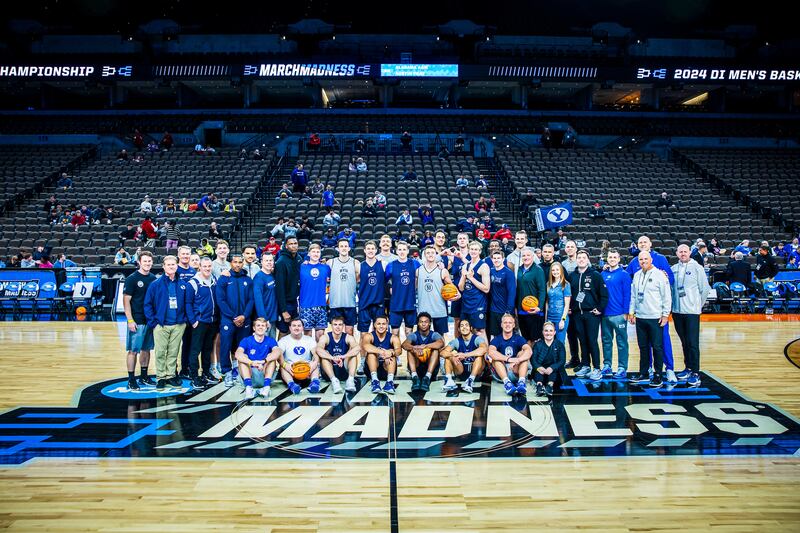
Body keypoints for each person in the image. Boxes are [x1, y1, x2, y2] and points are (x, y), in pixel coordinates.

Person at [626, 235, 676, 382]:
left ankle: (668, 369)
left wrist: (666, 314)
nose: (642, 244)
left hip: (656, 314)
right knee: (643, 345)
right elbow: (628, 281)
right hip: (642, 314)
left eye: (645, 242)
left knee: (660, 344)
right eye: (639, 242)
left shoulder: (660, 260)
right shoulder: (634, 263)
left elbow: (669, 282)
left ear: (650, 244)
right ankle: (646, 370)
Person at [143, 255, 188, 391]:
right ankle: (161, 377)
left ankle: (170, 376)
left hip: (178, 324)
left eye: (173, 265)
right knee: (161, 352)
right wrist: (153, 322)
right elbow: (147, 304)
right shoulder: (155, 284)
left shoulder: (183, 284)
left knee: (174, 352)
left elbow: (188, 303)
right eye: (168, 265)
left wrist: (184, 320)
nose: (171, 267)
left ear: (177, 266)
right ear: (163, 267)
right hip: (161, 325)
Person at [671, 244, 711, 387]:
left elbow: (705, 289)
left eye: (685, 251)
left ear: (689, 252)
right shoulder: (673, 269)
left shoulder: (697, 268)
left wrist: (697, 305)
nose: (683, 254)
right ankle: (687, 368)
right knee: (684, 341)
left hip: (692, 312)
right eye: (680, 252)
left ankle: (695, 372)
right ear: (677, 253)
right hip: (677, 311)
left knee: (693, 343)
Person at [568, 250, 608, 381]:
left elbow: (604, 294)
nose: (581, 259)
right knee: (582, 341)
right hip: (577, 314)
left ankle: (597, 368)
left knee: (591, 340)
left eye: (583, 257)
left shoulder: (595, 275)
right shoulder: (572, 276)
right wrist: (569, 308)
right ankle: (586, 365)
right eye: (579, 257)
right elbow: (569, 295)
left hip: (591, 314)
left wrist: (600, 308)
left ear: (588, 259)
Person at [216, 253, 254, 387]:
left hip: (244, 319)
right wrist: (233, 317)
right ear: (230, 263)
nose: (237, 264)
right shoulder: (224, 279)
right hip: (228, 319)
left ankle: (239, 370)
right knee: (225, 345)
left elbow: (251, 300)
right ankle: (226, 372)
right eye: (235, 262)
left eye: (240, 262)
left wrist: (244, 315)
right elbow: (220, 300)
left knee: (242, 347)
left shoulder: (248, 280)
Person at [123, 250, 157, 390]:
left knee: (146, 349)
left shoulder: (153, 278)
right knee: (133, 351)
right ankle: (131, 379)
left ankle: (144, 376)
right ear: (139, 262)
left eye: (149, 261)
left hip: (149, 320)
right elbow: (126, 301)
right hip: (136, 321)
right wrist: (130, 320)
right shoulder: (132, 279)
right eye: (145, 261)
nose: (147, 263)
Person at [185, 256, 218, 388]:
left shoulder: (214, 280)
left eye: (209, 266)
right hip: (199, 322)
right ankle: (194, 376)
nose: (207, 268)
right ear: (200, 267)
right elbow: (187, 303)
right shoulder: (193, 283)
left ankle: (205, 372)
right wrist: (193, 321)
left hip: (212, 321)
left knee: (207, 348)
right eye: (204, 266)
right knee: (195, 350)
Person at [598, 249, 631, 379]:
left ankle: (622, 367)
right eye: (610, 257)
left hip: (619, 314)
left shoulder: (624, 274)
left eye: (614, 257)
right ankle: (607, 366)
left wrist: (627, 312)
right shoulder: (603, 274)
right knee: (606, 341)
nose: (612, 259)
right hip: (605, 314)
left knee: (622, 342)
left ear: (619, 259)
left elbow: (628, 294)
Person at [235, 318, 281, 399]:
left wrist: (264, 360)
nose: (260, 327)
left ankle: (266, 388)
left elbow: (277, 352)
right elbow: (238, 354)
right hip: (249, 374)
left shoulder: (270, 340)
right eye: (258, 325)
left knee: (271, 357)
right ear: (254, 328)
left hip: (264, 373)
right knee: (243, 358)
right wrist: (252, 363)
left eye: (263, 325)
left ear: (266, 328)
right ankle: (249, 389)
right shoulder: (246, 340)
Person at [488, 313, 533, 396]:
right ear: (501, 325)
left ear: (513, 325)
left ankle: (521, 382)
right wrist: (508, 359)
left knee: (522, 353)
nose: (507, 325)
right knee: (495, 359)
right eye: (505, 322)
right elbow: (491, 352)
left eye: (510, 323)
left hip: (515, 370)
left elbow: (529, 351)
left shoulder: (518, 338)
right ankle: (507, 384)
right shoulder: (497, 339)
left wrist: (518, 360)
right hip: (502, 371)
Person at [416, 245, 455, 336]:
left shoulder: (443, 271)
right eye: (428, 253)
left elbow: (453, 289)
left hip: (439, 310)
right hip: (423, 310)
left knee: (440, 338)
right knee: (423, 338)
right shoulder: (418, 271)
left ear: (436, 255)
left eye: (433, 253)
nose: (430, 255)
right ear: (424, 255)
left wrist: (456, 296)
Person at [401, 312, 445, 392]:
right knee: (410, 350)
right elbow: (404, 345)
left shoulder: (434, 334)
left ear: (429, 324)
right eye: (421, 322)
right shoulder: (414, 335)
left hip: (430, 369)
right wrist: (415, 348)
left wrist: (425, 346)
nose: (423, 324)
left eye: (426, 322)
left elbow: (441, 343)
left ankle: (427, 377)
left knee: (435, 350)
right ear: (418, 323)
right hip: (417, 367)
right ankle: (414, 377)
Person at [440, 318, 486, 393]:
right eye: (461, 326)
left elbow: (484, 349)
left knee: (479, 357)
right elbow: (442, 353)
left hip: (476, 372)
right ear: (458, 329)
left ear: (471, 328)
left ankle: (470, 381)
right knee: (448, 357)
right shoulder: (456, 341)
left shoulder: (477, 339)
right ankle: (449, 381)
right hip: (461, 371)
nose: (464, 327)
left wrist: (465, 355)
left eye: (466, 325)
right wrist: (453, 356)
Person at [317, 316, 360, 393]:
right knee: (324, 354)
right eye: (335, 324)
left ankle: (350, 380)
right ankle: (334, 381)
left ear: (343, 326)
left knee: (353, 354)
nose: (338, 327)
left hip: (344, 371)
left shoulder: (348, 337)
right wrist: (333, 358)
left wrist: (343, 356)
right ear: (331, 326)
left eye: (340, 325)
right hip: (328, 372)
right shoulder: (325, 337)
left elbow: (358, 348)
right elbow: (318, 349)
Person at [277, 318, 321, 395]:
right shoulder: (283, 341)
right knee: (282, 367)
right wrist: (285, 365)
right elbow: (278, 356)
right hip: (291, 370)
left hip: (307, 370)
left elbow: (315, 354)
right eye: (294, 326)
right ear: (290, 328)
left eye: (299, 326)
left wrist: (315, 362)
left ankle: (315, 383)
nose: (296, 328)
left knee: (315, 364)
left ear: (303, 328)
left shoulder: (309, 340)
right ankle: (292, 385)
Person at [385, 241, 420, 337]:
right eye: (399, 249)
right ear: (396, 251)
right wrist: (390, 288)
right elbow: (384, 281)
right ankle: (396, 352)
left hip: (410, 303)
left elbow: (422, 276)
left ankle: (409, 352)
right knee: (395, 333)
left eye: (404, 249)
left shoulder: (415, 263)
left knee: (409, 333)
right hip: (396, 304)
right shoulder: (391, 265)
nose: (402, 252)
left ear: (408, 251)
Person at [458, 240, 491, 339]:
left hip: (478, 304)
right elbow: (461, 287)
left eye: (476, 249)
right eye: (471, 249)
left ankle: (485, 354)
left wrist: (471, 278)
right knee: (466, 330)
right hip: (466, 303)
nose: (473, 251)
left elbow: (486, 289)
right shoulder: (465, 266)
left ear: (480, 251)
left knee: (479, 330)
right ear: (468, 250)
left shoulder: (483, 266)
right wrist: (464, 276)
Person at [298, 244, 331, 341]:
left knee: (320, 335)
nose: (315, 254)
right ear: (309, 253)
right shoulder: (302, 267)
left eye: (318, 252)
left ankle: (319, 356)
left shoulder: (326, 268)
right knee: (307, 335)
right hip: (306, 305)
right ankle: (308, 356)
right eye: (313, 252)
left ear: (320, 254)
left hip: (321, 304)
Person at [327, 239, 359, 335]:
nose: (344, 248)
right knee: (336, 332)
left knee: (349, 332)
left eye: (346, 246)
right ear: (337, 248)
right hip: (335, 303)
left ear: (349, 248)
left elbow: (359, 278)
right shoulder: (330, 262)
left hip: (350, 303)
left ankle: (349, 350)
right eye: (341, 246)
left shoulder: (355, 263)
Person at [362, 315, 401, 394]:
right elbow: (366, 346)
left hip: (387, 368)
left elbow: (399, 350)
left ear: (387, 325)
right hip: (371, 369)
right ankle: (375, 381)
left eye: (383, 324)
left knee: (392, 355)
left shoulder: (393, 337)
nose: (381, 326)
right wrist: (383, 352)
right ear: (374, 325)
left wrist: (391, 352)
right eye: (379, 324)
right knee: (371, 354)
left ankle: (389, 382)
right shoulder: (369, 336)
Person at [516, 248, 546, 344]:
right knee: (525, 337)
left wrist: (539, 307)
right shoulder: (519, 269)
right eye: (523, 255)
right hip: (522, 309)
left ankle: (535, 359)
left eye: (528, 255)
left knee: (534, 338)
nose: (526, 257)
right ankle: (527, 358)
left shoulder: (538, 270)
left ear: (533, 257)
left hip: (534, 309)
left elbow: (542, 290)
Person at [532, 322, 568, 396]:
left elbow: (562, 361)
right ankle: (539, 386)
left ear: (554, 332)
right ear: (543, 332)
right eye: (546, 331)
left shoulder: (559, 345)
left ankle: (550, 386)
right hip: (541, 369)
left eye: (551, 331)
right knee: (538, 372)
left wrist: (552, 368)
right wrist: (538, 367)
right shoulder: (537, 344)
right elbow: (533, 360)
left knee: (554, 372)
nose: (548, 333)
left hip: (554, 370)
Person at [488, 250, 516, 339]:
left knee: (507, 334)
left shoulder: (508, 273)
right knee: (494, 334)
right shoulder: (491, 271)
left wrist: (508, 311)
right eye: (494, 258)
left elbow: (512, 293)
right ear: (491, 259)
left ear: (503, 259)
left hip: (505, 310)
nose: (496, 260)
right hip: (493, 309)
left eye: (499, 258)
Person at [544, 262, 571, 344]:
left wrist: (563, 319)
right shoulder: (548, 284)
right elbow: (547, 303)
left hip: (560, 317)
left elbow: (567, 305)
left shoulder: (565, 284)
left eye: (557, 270)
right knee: (549, 342)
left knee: (560, 342)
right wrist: (546, 319)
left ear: (561, 271)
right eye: (553, 270)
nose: (555, 272)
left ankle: (561, 357)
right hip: (550, 317)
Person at [253, 253, 278, 338]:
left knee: (272, 344)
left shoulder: (272, 275)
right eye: (266, 260)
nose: (269, 262)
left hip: (273, 317)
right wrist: (264, 319)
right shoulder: (259, 277)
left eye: (270, 260)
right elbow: (258, 300)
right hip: (264, 319)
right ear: (261, 262)